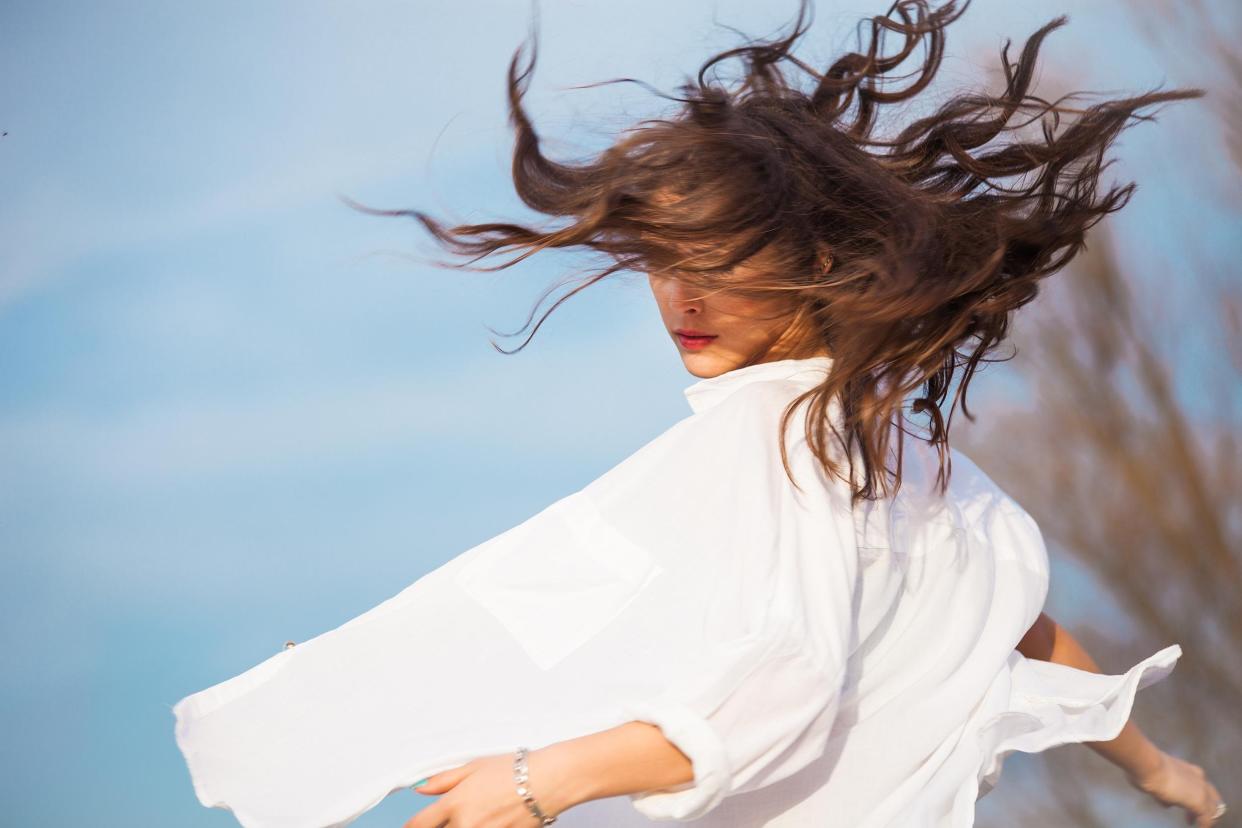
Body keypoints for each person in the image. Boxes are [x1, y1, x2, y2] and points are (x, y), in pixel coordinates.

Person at [172, 1, 1225, 826]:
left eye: (717, 267)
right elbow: (1021, 626)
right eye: (660, 266)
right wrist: (1160, 771)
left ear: (813, 264)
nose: (684, 301)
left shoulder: (780, 436)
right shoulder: (895, 453)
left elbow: (790, 684)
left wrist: (544, 779)